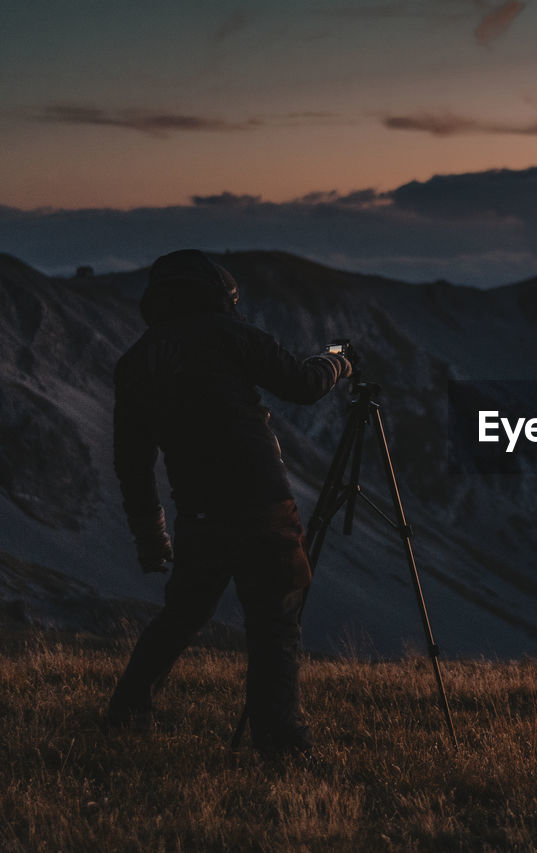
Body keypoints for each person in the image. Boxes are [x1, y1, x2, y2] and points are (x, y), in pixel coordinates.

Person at [107, 249, 353, 758]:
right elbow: (303, 385)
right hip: (262, 502)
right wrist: (339, 362)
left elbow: (132, 462)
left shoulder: (135, 362)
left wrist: (151, 536)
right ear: (220, 294)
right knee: (275, 623)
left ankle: (127, 712)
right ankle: (282, 746)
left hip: (198, 512)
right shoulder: (231, 335)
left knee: (181, 615)